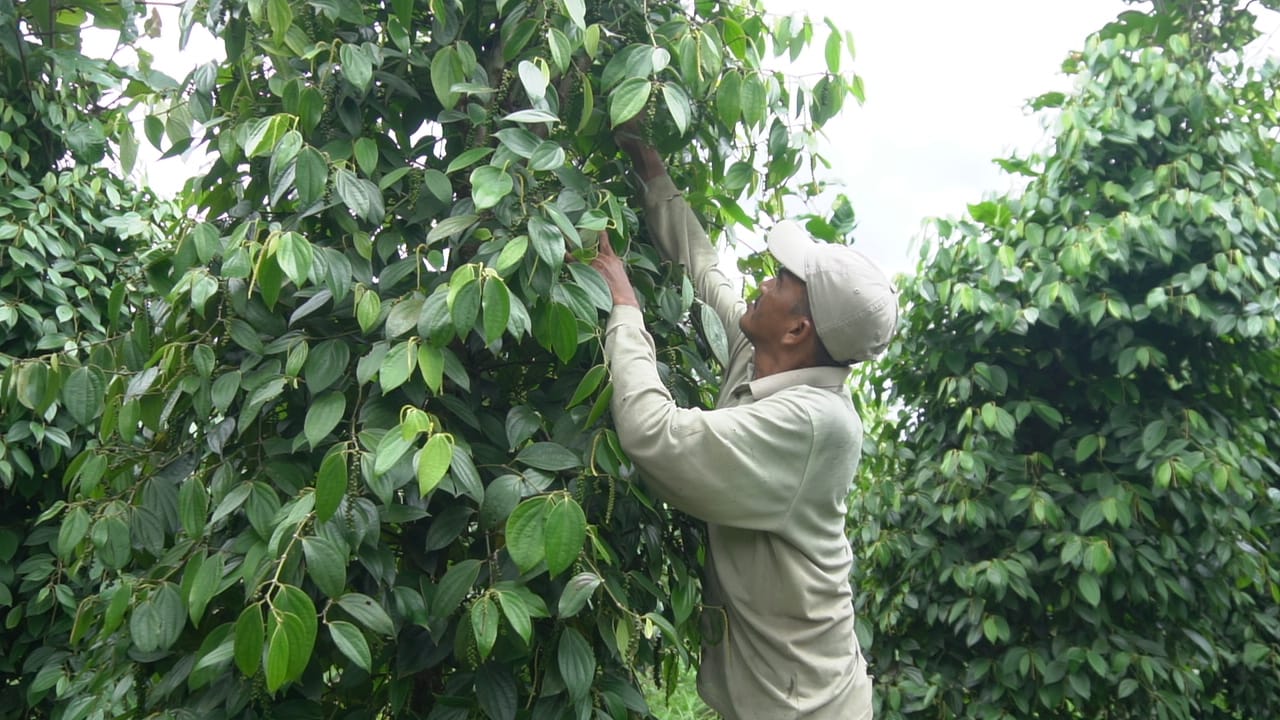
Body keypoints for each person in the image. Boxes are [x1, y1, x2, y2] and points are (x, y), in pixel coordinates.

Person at [589, 131, 897, 720]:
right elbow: (705, 271)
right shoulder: (767, 354)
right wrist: (650, 166)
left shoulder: (812, 424)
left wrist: (624, 307)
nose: (763, 281)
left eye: (781, 280)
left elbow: (654, 433)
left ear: (798, 330)